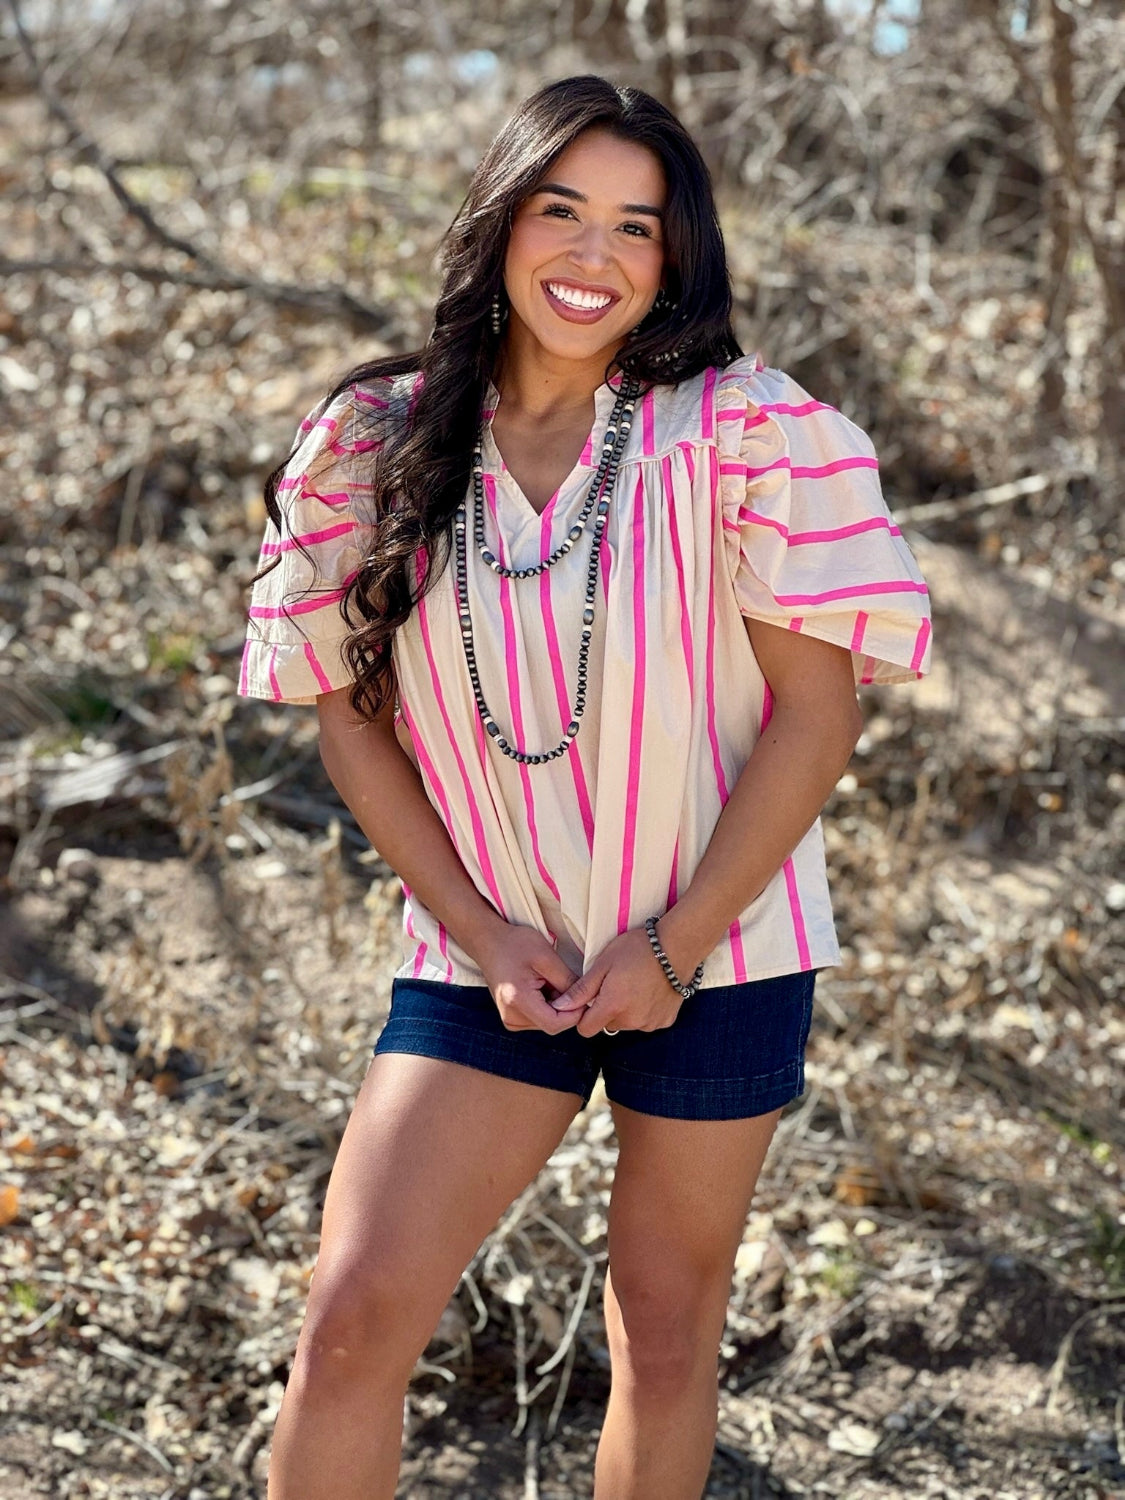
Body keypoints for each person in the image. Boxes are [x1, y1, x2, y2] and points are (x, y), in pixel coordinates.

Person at [237, 74, 932, 1500]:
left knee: (663, 1332)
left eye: (636, 225)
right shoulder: (375, 443)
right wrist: (487, 936)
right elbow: (350, 726)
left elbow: (816, 718)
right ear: (500, 222)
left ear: (675, 258)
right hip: (483, 953)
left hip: (720, 952)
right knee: (350, 1318)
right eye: (560, 211)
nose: (592, 254)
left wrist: (672, 946)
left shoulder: (744, 434)